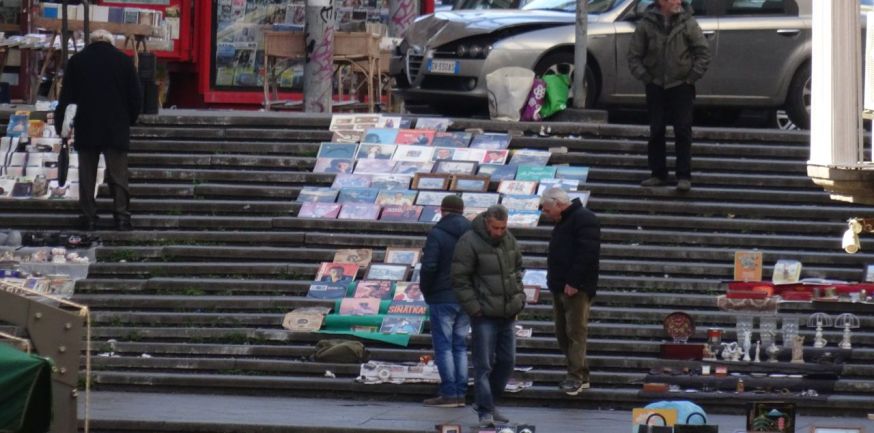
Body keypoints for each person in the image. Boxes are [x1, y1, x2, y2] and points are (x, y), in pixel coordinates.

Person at [55, 29, 142, 230]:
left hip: (87, 123)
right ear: (110, 42)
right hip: (116, 125)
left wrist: (61, 125)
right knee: (118, 174)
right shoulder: (123, 61)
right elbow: (136, 97)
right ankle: (121, 216)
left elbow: (66, 97)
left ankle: (89, 217)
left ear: (91, 41)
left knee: (87, 175)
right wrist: (129, 119)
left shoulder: (77, 61)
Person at [451, 205, 525, 427]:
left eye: (503, 228)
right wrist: (475, 308)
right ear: (486, 222)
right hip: (484, 314)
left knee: (507, 361)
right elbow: (459, 278)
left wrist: (519, 298)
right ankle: (485, 411)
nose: (499, 232)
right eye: (495, 227)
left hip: (508, 312)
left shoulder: (509, 240)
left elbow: (517, 270)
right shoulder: (469, 241)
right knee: (483, 365)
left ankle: (489, 403)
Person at [627, 0, 710, 192]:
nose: (678, 2)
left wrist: (691, 78)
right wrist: (646, 77)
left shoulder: (688, 23)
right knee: (656, 129)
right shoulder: (646, 24)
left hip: (681, 85)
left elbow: (703, 53)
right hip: (655, 85)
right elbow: (633, 56)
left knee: (682, 129)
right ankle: (658, 173)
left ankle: (684, 175)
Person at [539, 187, 600, 396]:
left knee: (575, 332)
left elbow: (588, 252)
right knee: (563, 333)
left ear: (558, 204)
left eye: (547, 210)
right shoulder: (565, 221)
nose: (546, 214)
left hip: (576, 288)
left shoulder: (583, 218)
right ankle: (581, 374)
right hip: (560, 286)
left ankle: (575, 377)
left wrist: (574, 281)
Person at [420, 195, 471, 408]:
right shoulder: (473, 233)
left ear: (442, 210)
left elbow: (430, 266)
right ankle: (460, 393)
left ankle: (449, 393)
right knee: (459, 346)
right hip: (466, 296)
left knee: (444, 346)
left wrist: (426, 289)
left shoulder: (438, 233)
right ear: (461, 210)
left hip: (442, 296)